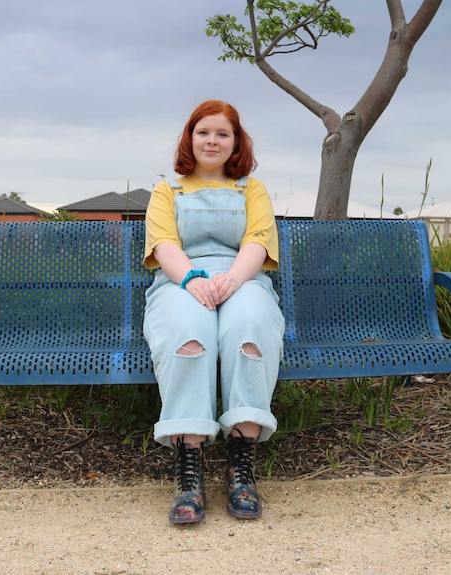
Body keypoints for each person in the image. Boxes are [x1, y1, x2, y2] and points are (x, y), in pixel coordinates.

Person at [143, 100, 285, 524]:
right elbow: (165, 244)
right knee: (190, 335)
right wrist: (191, 279)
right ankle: (189, 466)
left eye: (223, 134)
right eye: (204, 132)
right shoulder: (167, 190)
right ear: (190, 137)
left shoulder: (251, 189)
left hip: (244, 278)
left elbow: (258, 241)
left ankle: (241, 464)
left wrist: (234, 280)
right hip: (179, 281)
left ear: (236, 142)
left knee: (250, 330)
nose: (212, 140)